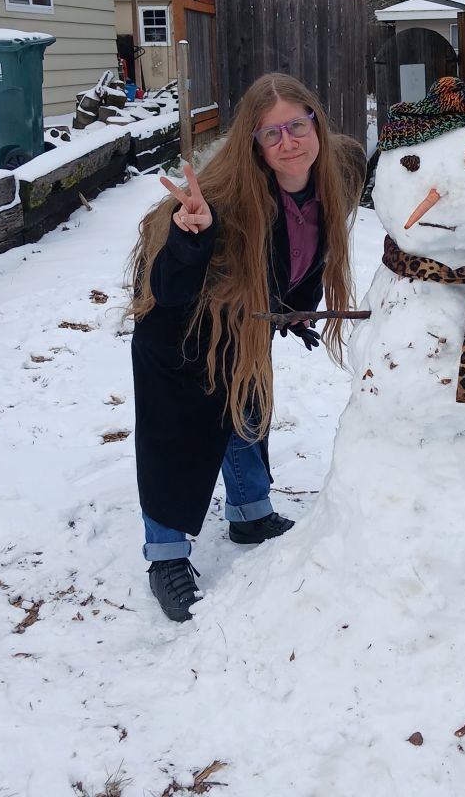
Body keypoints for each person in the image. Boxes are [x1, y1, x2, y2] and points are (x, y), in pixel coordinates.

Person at [128, 73, 366, 622]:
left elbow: (303, 250)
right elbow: (168, 288)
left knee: (249, 412)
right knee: (177, 437)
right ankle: (165, 555)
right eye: (270, 134)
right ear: (253, 145)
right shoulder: (224, 198)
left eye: (296, 126)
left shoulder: (339, 172)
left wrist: (296, 305)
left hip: (246, 325)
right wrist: (191, 237)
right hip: (180, 329)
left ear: (316, 123)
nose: (287, 142)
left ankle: (250, 514)